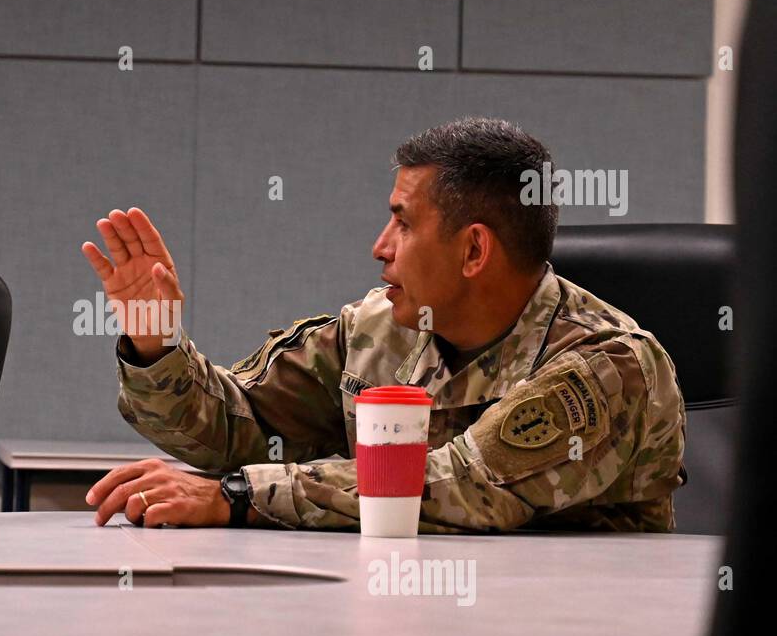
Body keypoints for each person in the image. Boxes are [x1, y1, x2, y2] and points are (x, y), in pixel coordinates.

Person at [82, 117, 685, 533]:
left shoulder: (608, 367)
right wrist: (154, 338)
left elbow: (463, 485)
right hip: (392, 627)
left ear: (474, 251)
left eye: (403, 223)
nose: (379, 247)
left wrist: (237, 495)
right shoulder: (378, 330)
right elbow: (235, 426)